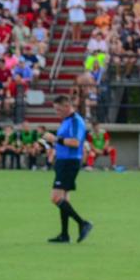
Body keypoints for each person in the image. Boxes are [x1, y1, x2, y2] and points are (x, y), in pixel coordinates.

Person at [46, 95, 93, 243]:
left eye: (59, 109)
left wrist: (55, 139)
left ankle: (83, 223)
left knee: (55, 197)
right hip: (63, 161)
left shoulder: (75, 121)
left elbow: (75, 142)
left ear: (67, 106)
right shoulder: (67, 121)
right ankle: (64, 234)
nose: (57, 112)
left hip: (69, 162)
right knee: (64, 198)